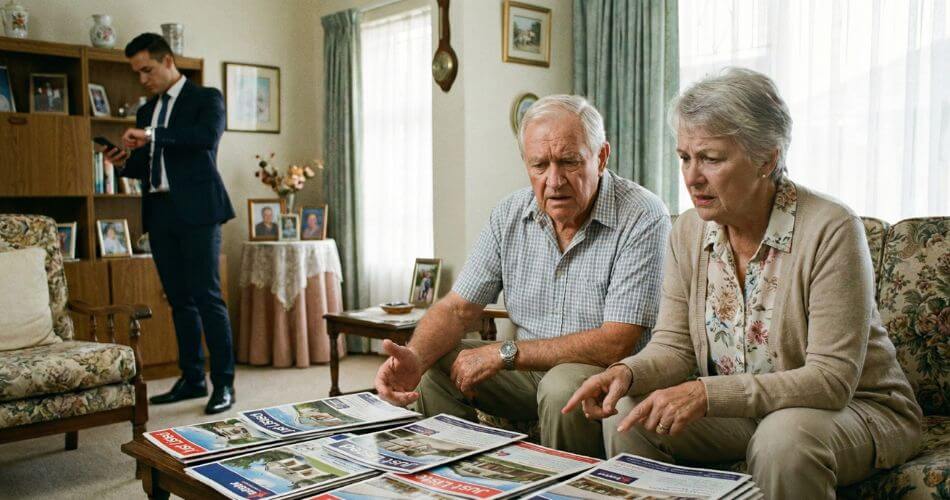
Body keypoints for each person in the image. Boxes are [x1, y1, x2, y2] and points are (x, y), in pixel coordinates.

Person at [564, 68, 922, 498]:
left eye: (711, 159)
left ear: (766, 158)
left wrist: (708, 394)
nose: (692, 176)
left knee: (783, 440)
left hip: (852, 409)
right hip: (748, 411)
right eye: (684, 157)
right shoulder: (689, 231)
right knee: (629, 412)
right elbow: (673, 348)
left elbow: (830, 381)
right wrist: (626, 371)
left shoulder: (831, 228)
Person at [375, 95, 671, 458]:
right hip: (525, 372)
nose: (554, 180)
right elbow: (458, 309)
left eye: (568, 162)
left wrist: (505, 352)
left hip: (606, 373)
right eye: (539, 165)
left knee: (562, 388)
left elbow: (616, 342)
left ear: (602, 156)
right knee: (438, 365)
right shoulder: (509, 214)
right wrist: (414, 358)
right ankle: (464, 478)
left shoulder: (642, 214)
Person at [101, 33, 237, 415]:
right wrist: (123, 162)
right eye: (137, 72)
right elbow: (149, 168)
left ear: (167, 61)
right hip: (160, 211)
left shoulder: (205, 98)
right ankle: (192, 378)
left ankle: (224, 383)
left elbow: (205, 138)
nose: (142, 79)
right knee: (179, 300)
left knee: (207, 297)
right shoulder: (146, 112)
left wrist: (153, 135)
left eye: (147, 69)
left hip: (199, 210)